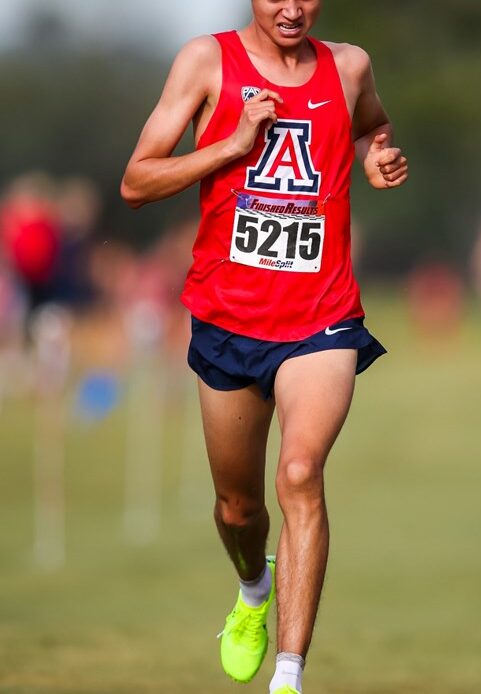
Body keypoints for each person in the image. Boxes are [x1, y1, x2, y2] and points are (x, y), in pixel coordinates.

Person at [121, 2, 407, 691]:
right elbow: (136, 182)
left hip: (322, 316)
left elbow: (374, 127)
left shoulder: (349, 65)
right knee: (239, 508)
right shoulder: (204, 61)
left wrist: (378, 158)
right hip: (227, 320)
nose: (291, 7)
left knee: (302, 474)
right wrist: (232, 143)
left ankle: (289, 674)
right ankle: (253, 590)